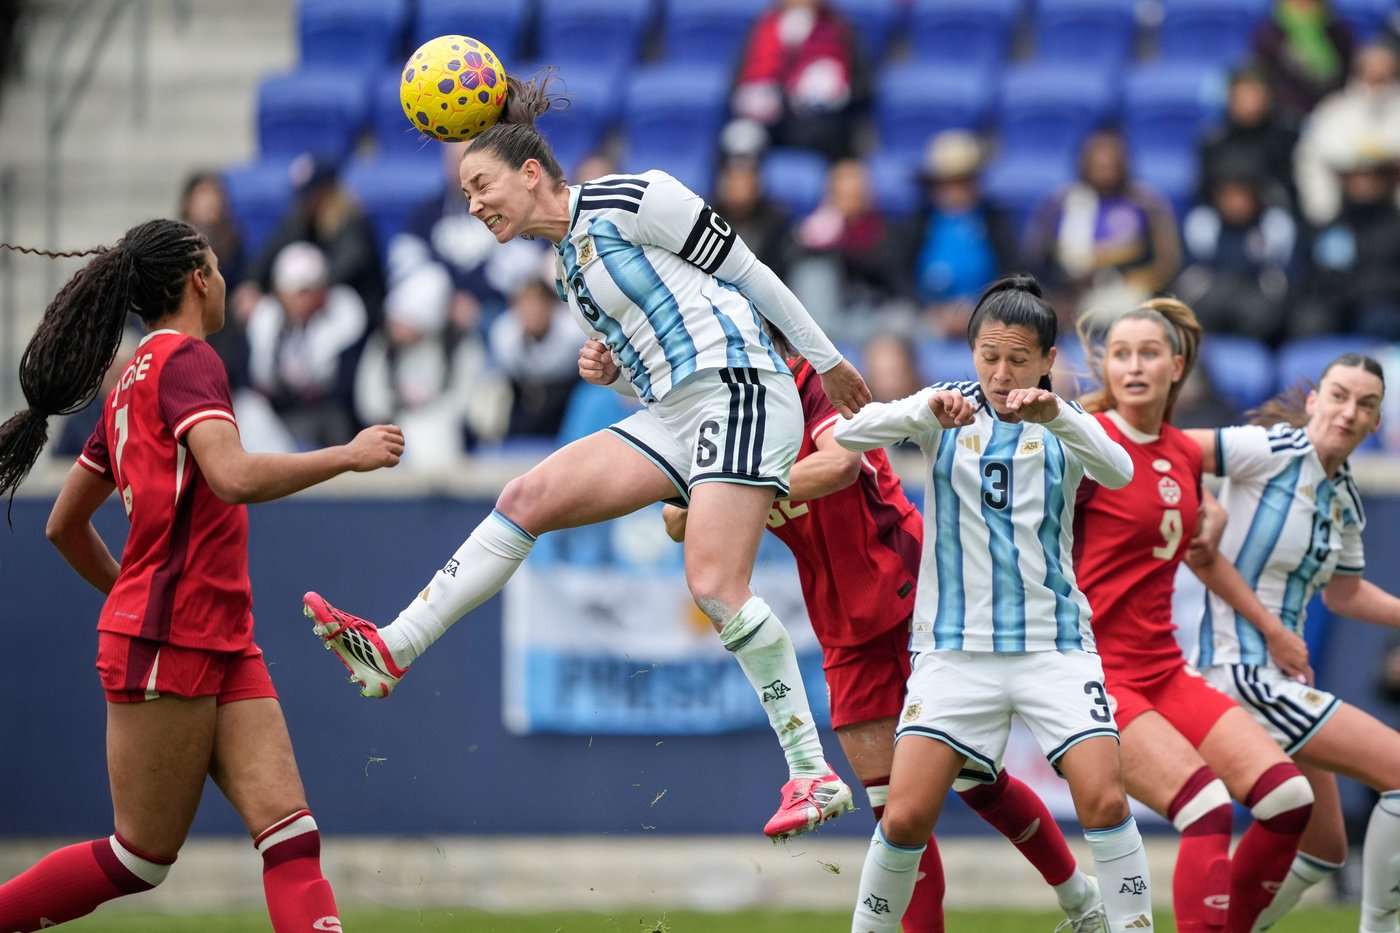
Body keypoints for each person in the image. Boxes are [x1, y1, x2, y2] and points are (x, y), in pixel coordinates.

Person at [301, 76, 875, 841]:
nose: (472, 205)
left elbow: (747, 270)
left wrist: (828, 361)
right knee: (526, 496)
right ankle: (393, 648)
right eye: (466, 192)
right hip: (676, 410)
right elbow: (656, 366)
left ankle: (812, 771)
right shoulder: (567, 269)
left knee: (713, 582)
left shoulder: (632, 198)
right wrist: (620, 376)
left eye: (481, 185)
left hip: (741, 386)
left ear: (530, 172)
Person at [0, 219, 404, 932]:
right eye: (216, 267)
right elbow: (234, 474)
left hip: (212, 634)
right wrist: (346, 454)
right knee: (141, 857)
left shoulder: (128, 384)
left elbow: (63, 524)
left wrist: (132, 590)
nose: (221, 280)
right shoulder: (188, 359)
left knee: (291, 836)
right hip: (171, 639)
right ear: (197, 279)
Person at [661, 332, 1108, 933]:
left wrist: (741, 489)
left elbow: (839, 464)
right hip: (841, 624)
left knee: (977, 783)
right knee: (893, 814)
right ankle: (1084, 903)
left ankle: (1084, 903)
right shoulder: (724, 410)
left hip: (909, 594)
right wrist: (715, 495)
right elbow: (674, 519)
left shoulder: (808, 381)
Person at [838, 275, 1153, 933]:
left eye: (1017, 358)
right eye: (988, 355)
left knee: (1103, 796)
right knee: (902, 815)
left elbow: (1121, 471)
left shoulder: (1065, 423)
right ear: (972, 349)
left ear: (1046, 359)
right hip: (954, 653)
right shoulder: (944, 408)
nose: (1001, 372)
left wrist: (1059, 414)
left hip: (1054, 648)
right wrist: (919, 411)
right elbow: (852, 434)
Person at [1072, 299, 1316, 932]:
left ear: (1175, 366)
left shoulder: (1181, 452)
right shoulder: (1086, 443)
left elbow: (1203, 557)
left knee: (1290, 800)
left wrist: (1272, 629)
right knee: (1207, 809)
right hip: (1102, 677)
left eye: (1148, 353)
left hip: (1166, 669)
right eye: (1120, 354)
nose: (1132, 366)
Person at [1186, 354, 1400, 933]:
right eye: (1339, 395)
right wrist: (1198, 502)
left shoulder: (1344, 496)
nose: (1349, 412)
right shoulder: (1274, 450)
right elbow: (1173, 450)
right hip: (1236, 671)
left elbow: (1345, 595)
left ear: (1377, 421)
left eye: (1366, 404)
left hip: (1278, 678)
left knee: (1325, 847)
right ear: (1314, 401)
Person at [1021, 130, 1181, 321]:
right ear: (1083, 165)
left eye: (1110, 166)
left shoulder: (1147, 202)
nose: (1104, 172)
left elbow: (1167, 261)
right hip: (1067, 291)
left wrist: (1136, 280)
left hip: (1127, 291)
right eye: (1097, 166)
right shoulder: (1059, 203)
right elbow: (1035, 258)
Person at [245, 241, 368, 450]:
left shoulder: (345, 315)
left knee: (333, 422)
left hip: (325, 410)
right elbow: (254, 378)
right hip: (278, 409)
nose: (298, 300)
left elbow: (346, 384)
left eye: (306, 291)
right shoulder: (265, 317)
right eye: (292, 292)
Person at [727, 0, 871, 162]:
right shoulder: (761, 28)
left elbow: (862, 87)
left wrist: (837, 90)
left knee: (836, 137)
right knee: (739, 138)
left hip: (818, 124)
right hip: (767, 123)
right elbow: (737, 83)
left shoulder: (840, 28)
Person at [1252, 0, 1355, 123]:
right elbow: (1264, 80)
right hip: (1285, 115)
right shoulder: (1269, 34)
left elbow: (1347, 76)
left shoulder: (1338, 32)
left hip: (1333, 112)